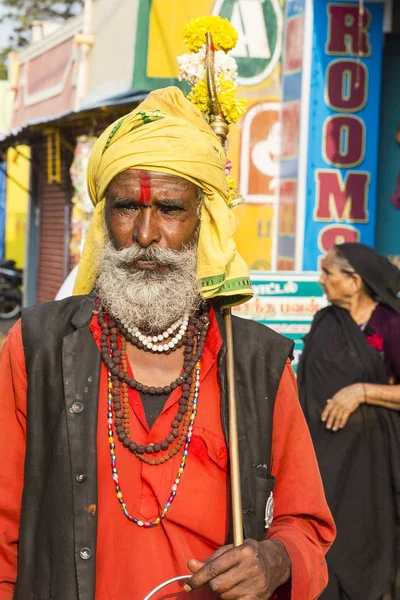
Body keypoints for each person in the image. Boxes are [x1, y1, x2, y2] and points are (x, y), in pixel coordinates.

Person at [0, 86, 335, 600]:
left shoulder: (254, 363)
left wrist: (274, 558)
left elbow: (306, 525)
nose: (146, 233)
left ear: (203, 221)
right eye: (126, 207)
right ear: (104, 219)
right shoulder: (39, 348)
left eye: (171, 209)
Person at [298, 242, 400, 600]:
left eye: (327, 272)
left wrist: (362, 391)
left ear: (354, 281)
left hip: (372, 464)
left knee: (366, 543)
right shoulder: (325, 321)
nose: (321, 280)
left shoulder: (390, 323)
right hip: (325, 460)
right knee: (326, 543)